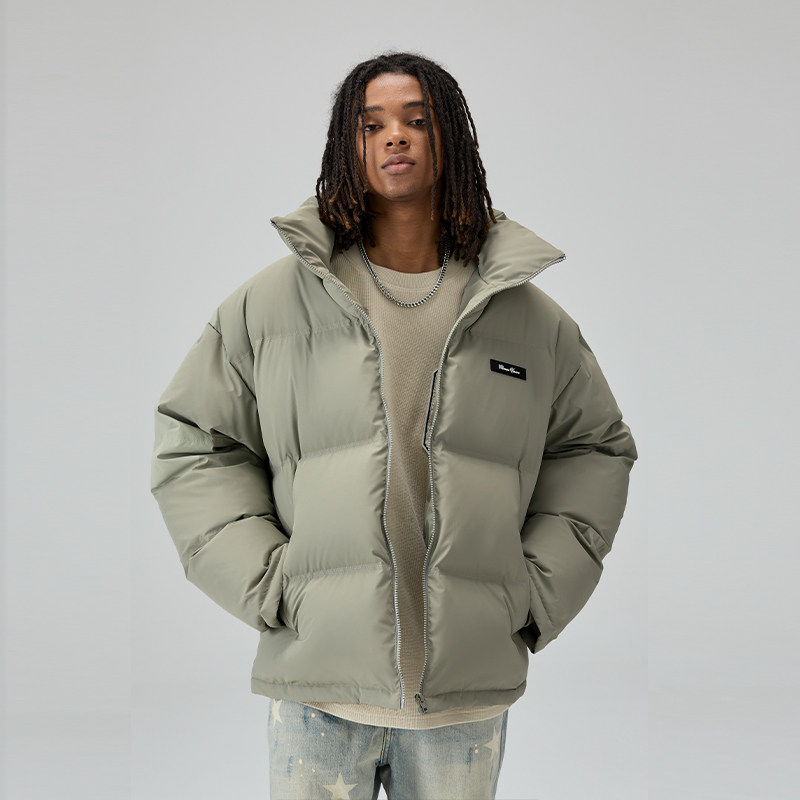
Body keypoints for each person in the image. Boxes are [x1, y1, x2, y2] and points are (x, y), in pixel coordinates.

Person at [150, 50, 638, 800]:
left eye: (417, 120)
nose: (395, 137)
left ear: (452, 141)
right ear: (347, 147)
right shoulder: (268, 308)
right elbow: (196, 442)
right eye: (371, 125)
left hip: (464, 699)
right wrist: (273, 584)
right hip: (319, 687)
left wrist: (533, 592)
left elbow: (593, 449)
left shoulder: (529, 319)